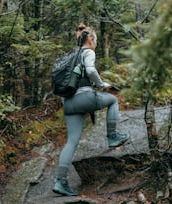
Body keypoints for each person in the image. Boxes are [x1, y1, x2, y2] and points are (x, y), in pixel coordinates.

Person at [52, 23, 129, 196]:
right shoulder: (87, 52)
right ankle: (113, 137)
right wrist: (102, 85)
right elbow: (91, 70)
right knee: (113, 101)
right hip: (84, 97)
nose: (97, 44)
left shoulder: (71, 55)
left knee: (71, 141)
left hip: (68, 103)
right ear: (90, 39)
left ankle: (60, 181)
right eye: (96, 40)